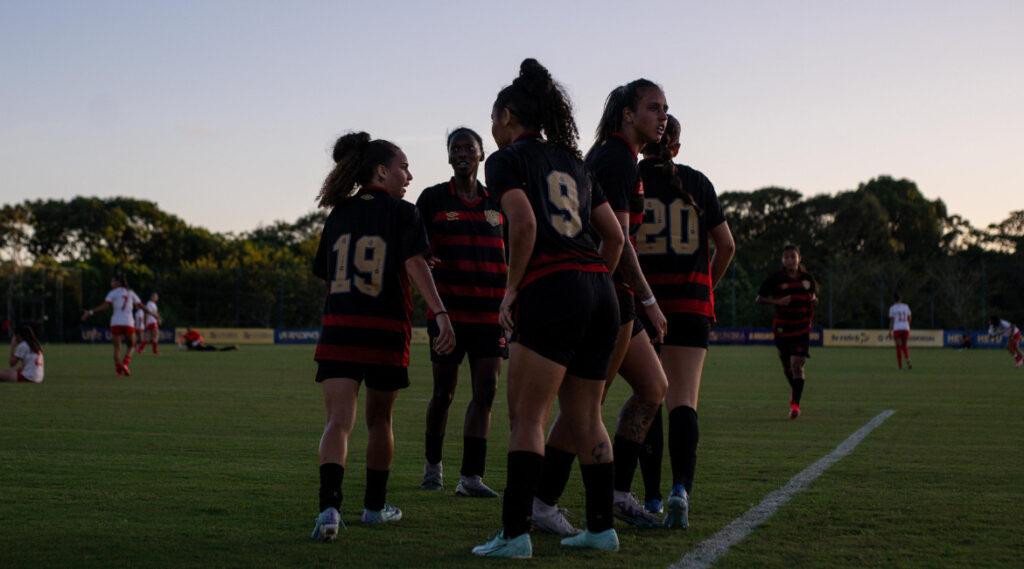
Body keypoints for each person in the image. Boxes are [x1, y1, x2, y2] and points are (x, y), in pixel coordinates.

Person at [471, 58, 625, 558]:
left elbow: (523, 224)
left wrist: (512, 290)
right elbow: (615, 236)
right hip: (601, 290)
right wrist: (588, 276)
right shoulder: (575, 162)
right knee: (586, 416)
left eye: (494, 118)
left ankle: (515, 535)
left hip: (552, 288)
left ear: (509, 115)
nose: (491, 128)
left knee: (527, 418)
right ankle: (601, 528)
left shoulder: (506, 160)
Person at [531, 77, 669, 534]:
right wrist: (646, 298)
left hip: (615, 294)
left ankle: (615, 491)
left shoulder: (623, 159)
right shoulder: (613, 158)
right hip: (610, 295)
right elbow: (619, 242)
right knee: (586, 407)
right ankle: (543, 500)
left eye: (664, 108)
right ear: (628, 114)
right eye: (653, 107)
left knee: (652, 387)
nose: (661, 116)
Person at [309, 131, 455, 543]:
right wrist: (440, 313)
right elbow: (414, 263)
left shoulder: (337, 213)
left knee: (338, 423)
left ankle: (329, 512)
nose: (409, 174)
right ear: (381, 171)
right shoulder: (403, 212)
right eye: (403, 166)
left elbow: (326, 271)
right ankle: (374, 509)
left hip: (339, 330)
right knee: (379, 421)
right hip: (385, 331)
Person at [632, 114, 735, 528]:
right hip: (691, 305)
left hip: (644, 304)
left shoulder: (628, 176)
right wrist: (705, 285)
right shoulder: (698, 182)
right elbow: (726, 246)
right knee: (684, 402)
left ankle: (653, 498)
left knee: (647, 400)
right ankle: (681, 491)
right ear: (676, 147)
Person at [416, 127, 506, 498]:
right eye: (456, 148)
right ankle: (433, 465)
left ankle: (470, 477)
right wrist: (426, 257)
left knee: (486, 391)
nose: (462, 153)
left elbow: (516, 249)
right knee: (444, 394)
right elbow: (415, 251)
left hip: (490, 316)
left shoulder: (499, 201)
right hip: (448, 317)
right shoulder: (434, 199)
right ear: (449, 156)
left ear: (482, 155)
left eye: (469, 147)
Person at [756, 244, 819, 419]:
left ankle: (795, 405)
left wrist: (814, 302)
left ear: (799, 258)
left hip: (802, 328)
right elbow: (759, 298)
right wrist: (778, 302)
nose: (790, 260)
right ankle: (795, 392)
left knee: (797, 365)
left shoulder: (807, 279)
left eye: (793, 256)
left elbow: (812, 298)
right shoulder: (776, 279)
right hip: (782, 329)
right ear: (783, 260)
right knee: (787, 368)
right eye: (786, 257)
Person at [81, 273, 159, 376]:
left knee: (117, 348)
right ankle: (125, 364)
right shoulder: (131, 293)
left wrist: (90, 312)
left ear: (118, 283)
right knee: (131, 346)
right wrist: (153, 313)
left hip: (116, 322)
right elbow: (141, 306)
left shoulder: (113, 293)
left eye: (112, 281)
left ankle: (118, 370)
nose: (111, 283)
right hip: (128, 322)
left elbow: (105, 306)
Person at [888, 293, 912, 369]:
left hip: (897, 328)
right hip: (905, 327)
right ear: (900, 299)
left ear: (893, 300)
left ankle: (900, 365)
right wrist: (908, 325)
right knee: (904, 345)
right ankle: (907, 357)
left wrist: (889, 331)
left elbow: (892, 321)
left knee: (898, 346)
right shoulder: (905, 306)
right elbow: (910, 317)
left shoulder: (892, 308)